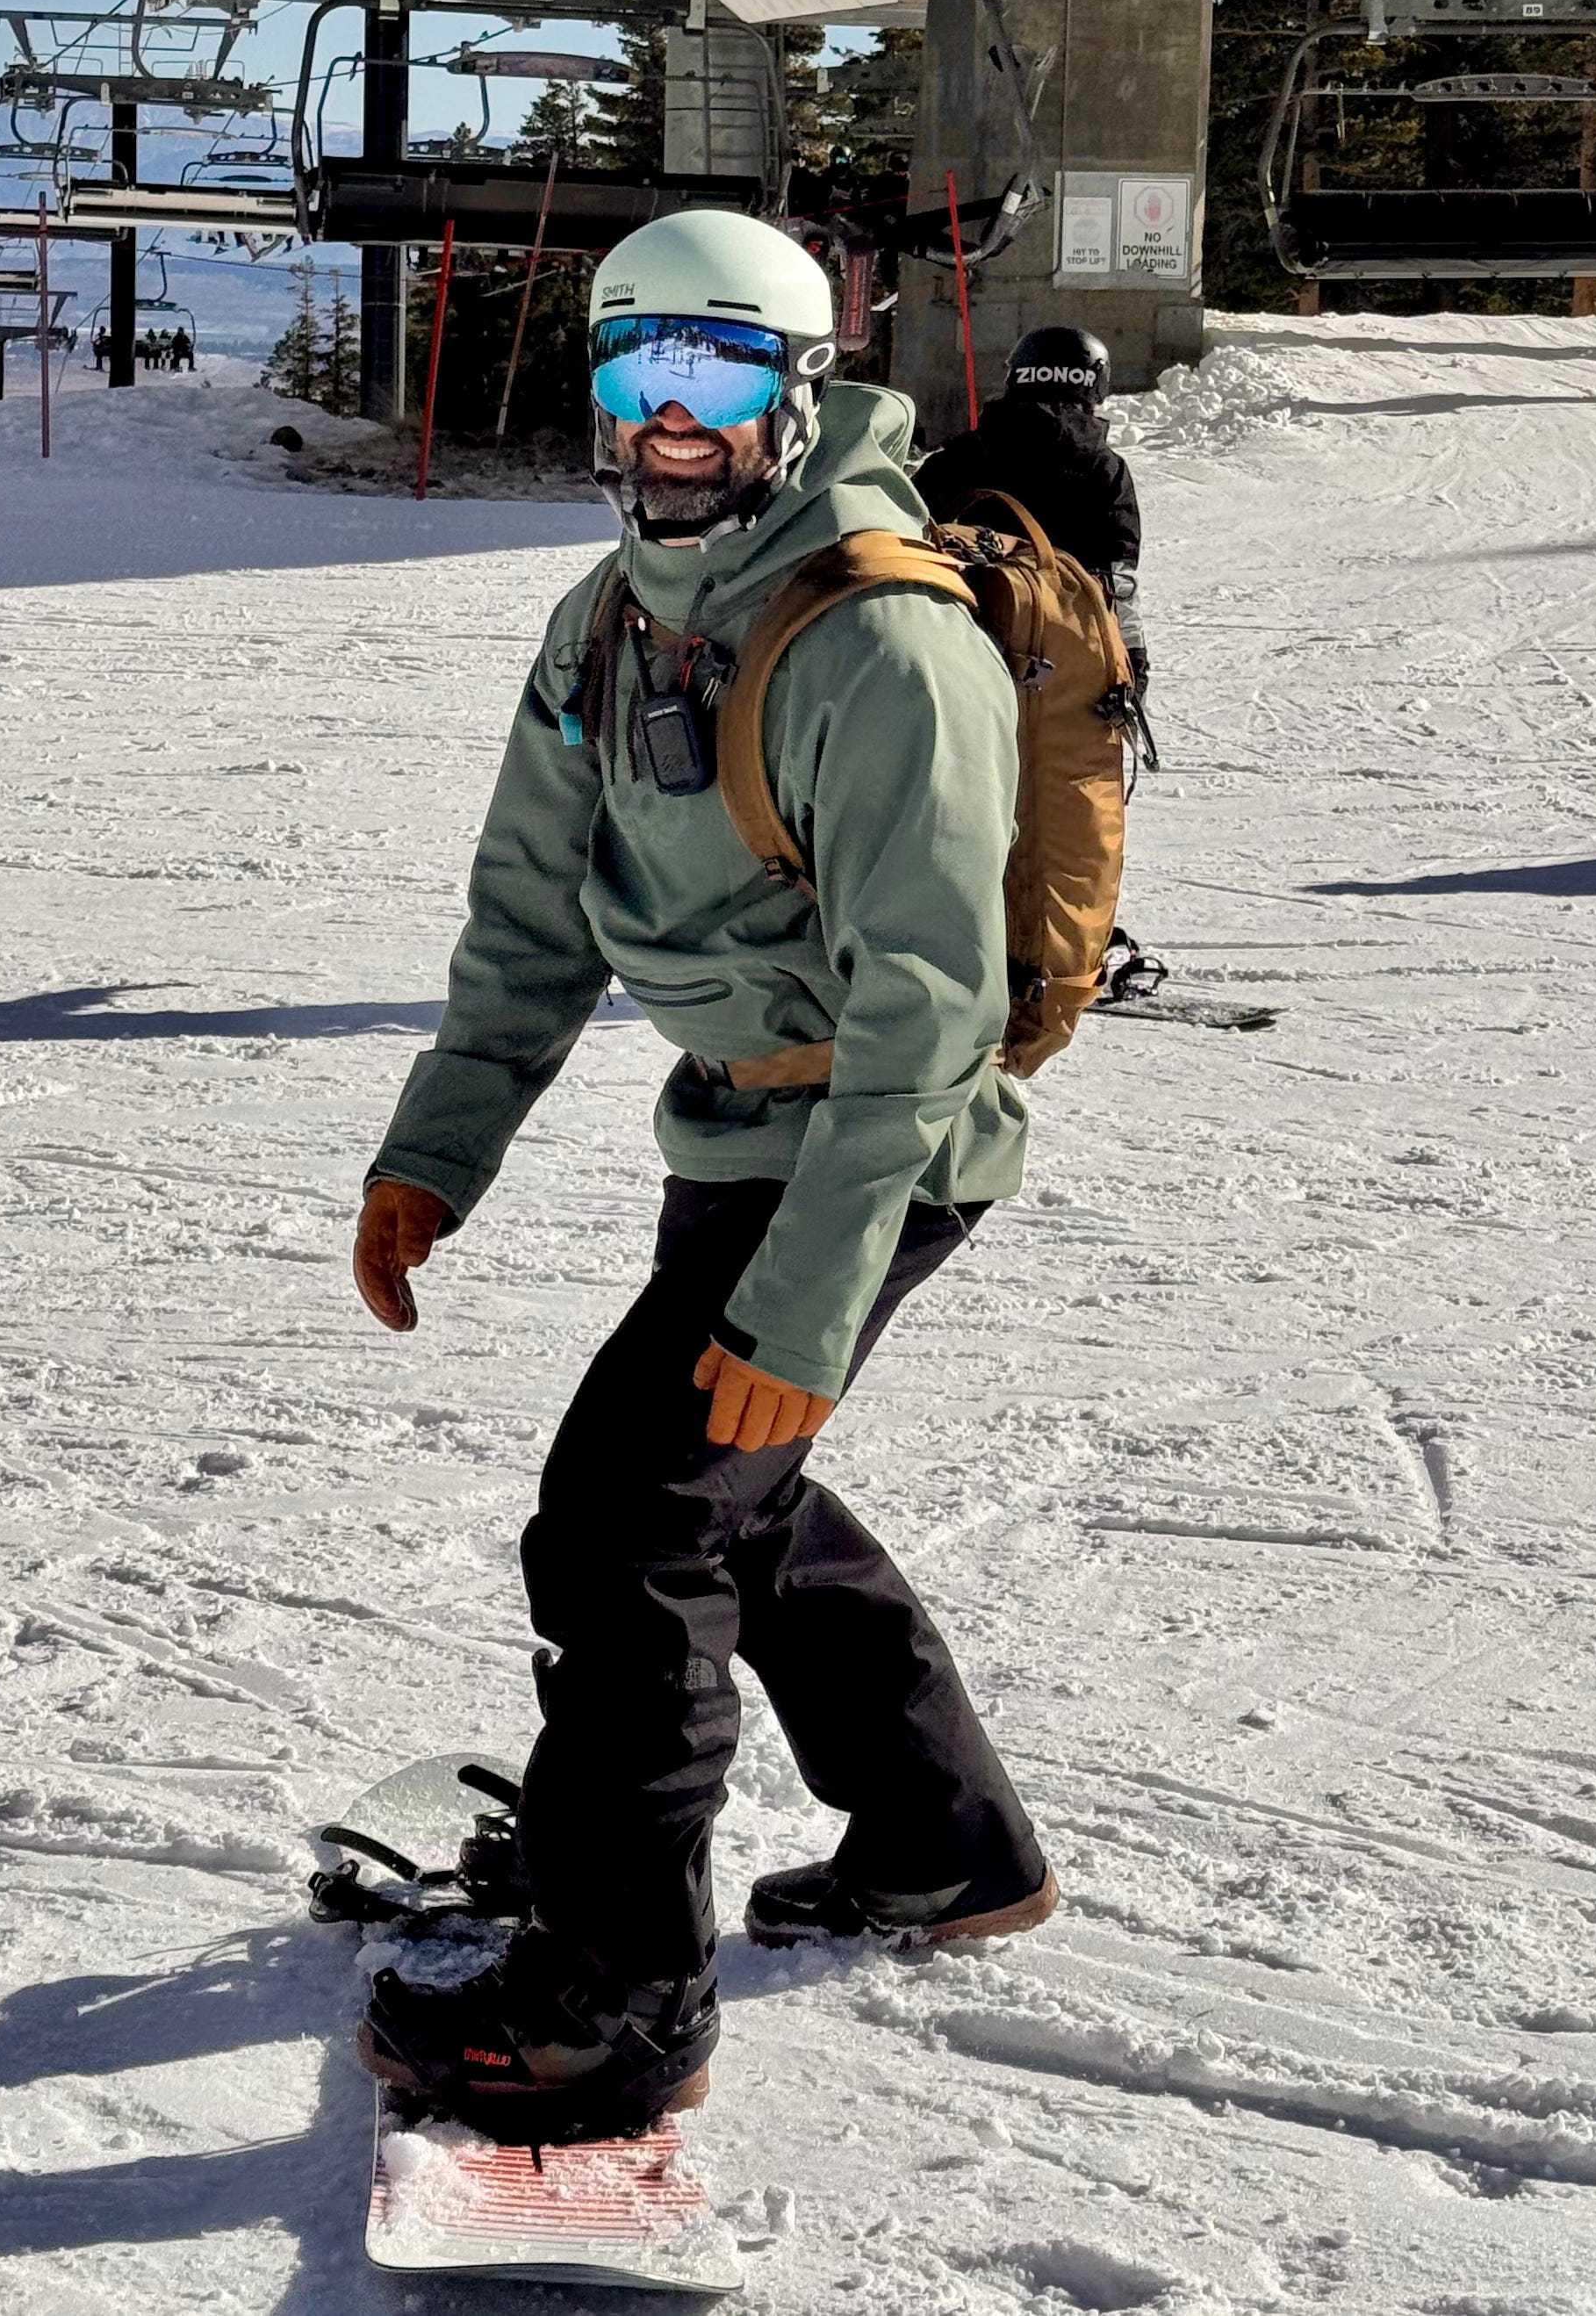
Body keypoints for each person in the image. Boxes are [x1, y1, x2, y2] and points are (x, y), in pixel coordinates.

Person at [350, 209, 1055, 2145]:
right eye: (637, 365)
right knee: (730, 1500)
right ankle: (939, 1841)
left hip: (878, 1144)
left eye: (720, 370)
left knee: (628, 1531)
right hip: (739, 1126)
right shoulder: (607, 619)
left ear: (795, 391)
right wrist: (435, 1156)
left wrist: (803, 1309)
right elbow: (527, 915)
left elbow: (929, 1012)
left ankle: (616, 1999)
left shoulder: (882, 644)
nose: (672, 414)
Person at [915, 326, 1149, 698]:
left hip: (956, 653)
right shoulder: (1105, 470)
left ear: (1016, 377)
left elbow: (906, 539)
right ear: (1095, 385)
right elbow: (1117, 583)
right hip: (1063, 661)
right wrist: (1133, 663)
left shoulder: (955, 460)